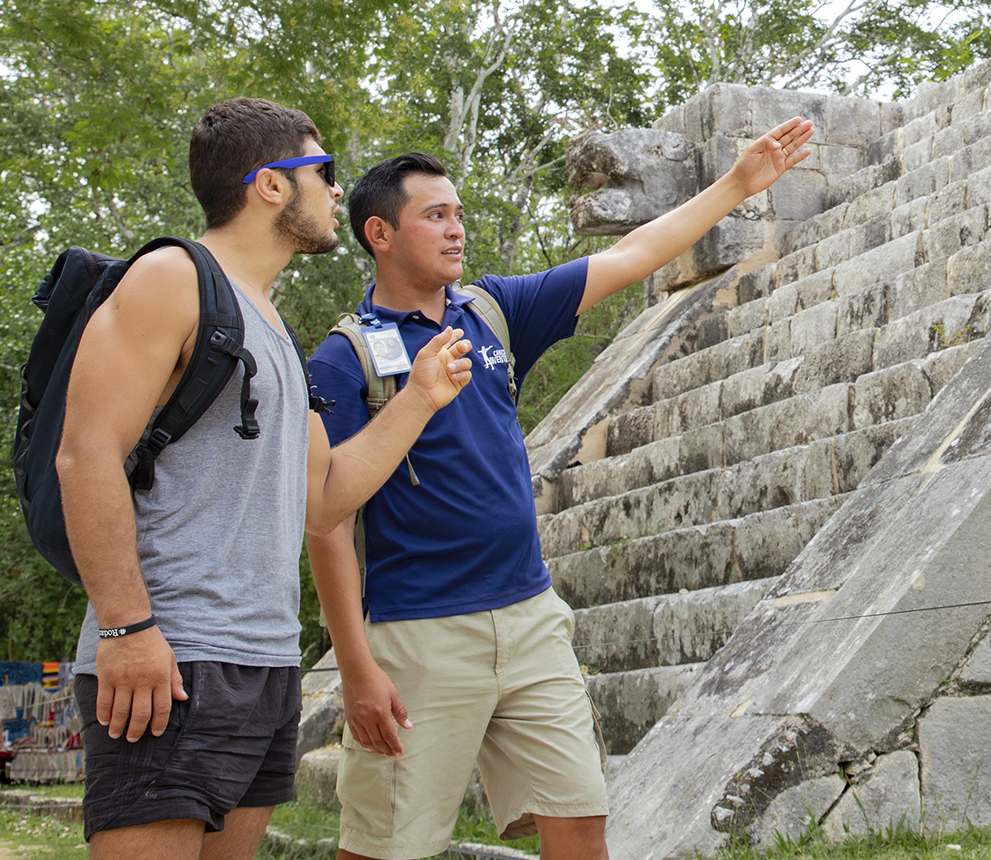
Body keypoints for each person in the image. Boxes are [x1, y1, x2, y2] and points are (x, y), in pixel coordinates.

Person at [308, 116, 817, 860]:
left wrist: (736, 185)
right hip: (418, 634)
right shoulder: (343, 357)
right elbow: (325, 520)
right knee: (387, 847)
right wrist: (355, 667)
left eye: (457, 214)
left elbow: (633, 253)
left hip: (529, 617)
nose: (455, 230)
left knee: (580, 821)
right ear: (380, 234)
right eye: (434, 216)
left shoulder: (491, 311)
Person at [56, 97, 481, 860]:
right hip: (171, 656)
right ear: (271, 185)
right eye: (322, 172)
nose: (332, 191)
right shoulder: (170, 277)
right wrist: (126, 628)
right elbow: (84, 455)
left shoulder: (275, 325)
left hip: (265, 662)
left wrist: (419, 399)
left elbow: (325, 498)